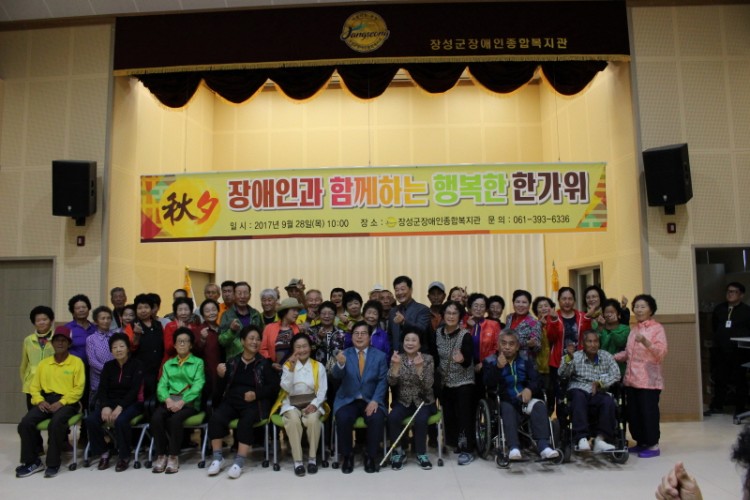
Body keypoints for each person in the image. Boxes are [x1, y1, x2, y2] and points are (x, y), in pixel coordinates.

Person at [207, 325, 279, 479]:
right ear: (242, 341)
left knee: (245, 422)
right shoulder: (232, 362)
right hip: (232, 401)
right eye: (251, 338)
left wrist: (256, 394)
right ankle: (218, 458)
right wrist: (220, 377)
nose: (255, 342)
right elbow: (220, 389)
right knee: (216, 418)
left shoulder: (264, 363)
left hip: (254, 403)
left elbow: (273, 388)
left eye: (258, 339)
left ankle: (239, 462)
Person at [16, 326, 85, 478]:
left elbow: (78, 389)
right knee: (25, 423)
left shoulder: (76, 362)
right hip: (46, 400)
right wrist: (39, 401)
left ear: (69, 344)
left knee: (56, 423)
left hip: (68, 402)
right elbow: (34, 387)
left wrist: (62, 402)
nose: (60, 343)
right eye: (57, 340)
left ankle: (53, 463)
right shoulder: (44, 364)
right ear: (52, 343)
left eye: (63, 341)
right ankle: (32, 462)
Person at [484, 330, 558, 461]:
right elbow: (488, 383)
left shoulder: (526, 360)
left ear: (517, 346)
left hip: (524, 399)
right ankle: (514, 448)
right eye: (504, 343)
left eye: (511, 344)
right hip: (505, 400)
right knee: (507, 408)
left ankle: (544, 447)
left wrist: (529, 389)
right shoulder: (490, 361)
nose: (507, 347)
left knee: (539, 405)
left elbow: (537, 380)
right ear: (498, 344)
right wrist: (498, 368)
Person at [332, 321, 388, 474]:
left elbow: (383, 381)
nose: (359, 336)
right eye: (356, 333)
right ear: (352, 337)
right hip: (348, 399)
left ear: (370, 337)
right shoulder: (344, 354)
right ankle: (347, 456)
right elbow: (336, 375)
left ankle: (370, 456)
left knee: (376, 418)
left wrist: (375, 400)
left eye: (363, 333)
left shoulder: (380, 356)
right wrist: (340, 364)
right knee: (343, 417)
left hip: (370, 399)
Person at [615, 294, 667, 458]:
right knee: (634, 414)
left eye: (643, 306)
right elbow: (628, 353)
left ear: (651, 310)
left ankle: (653, 445)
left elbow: (661, 353)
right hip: (631, 380)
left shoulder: (657, 328)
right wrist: (612, 357)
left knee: (648, 413)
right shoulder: (634, 329)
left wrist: (645, 341)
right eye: (636, 306)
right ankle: (641, 442)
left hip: (648, 381)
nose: (638, 310)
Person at [86, 333, 145, 472]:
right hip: (110, 402)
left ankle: (124, 456)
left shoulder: (137, 365)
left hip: (132, 403)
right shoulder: (108, 366)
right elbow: (102, 389)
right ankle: (104, 453)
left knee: (121, 420)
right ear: (111, 351)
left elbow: (134, 390)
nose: (118, 350)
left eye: (121, 346)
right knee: (91, 420)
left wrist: (120, 407)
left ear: (128, 348)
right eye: (114, 347)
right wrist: (105, 406)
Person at [150, 327, 205, 474]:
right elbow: (162, 385)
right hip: (170, 399)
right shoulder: (168, 364)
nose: (182, 344)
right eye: (179, 341)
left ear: (191, 345)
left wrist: (182, 401)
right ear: (174, 345)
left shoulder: (198, 362)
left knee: (174, 420)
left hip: (189, 402)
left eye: (185, 341)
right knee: (156, 418)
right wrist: (167, 399)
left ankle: (173, 456)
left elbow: (198, 385)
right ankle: (161, 455)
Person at [558, 330, 621, 453]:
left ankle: (600, 440)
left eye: (596, 341)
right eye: (589, 341)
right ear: (583, 344)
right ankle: (581, 438)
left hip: (598, 391)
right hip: (579, 388)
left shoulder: (606, 356)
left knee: (608, 401)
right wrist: (569, 358)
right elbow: (562, 374)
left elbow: (616, 374)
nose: (593, 345)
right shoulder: (575, 356)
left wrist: (601, 383)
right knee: (578, 397)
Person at [276, 334, 327, 476]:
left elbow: (322, 390)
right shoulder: (287, 365)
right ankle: (297, 461)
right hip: (291, 403)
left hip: (312, 403)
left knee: (313, 420)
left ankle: (312, 459)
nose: (302, 350)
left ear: (310, 348)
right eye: (298, 347)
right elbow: (285, 388)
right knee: (293, 419)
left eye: (305, 346)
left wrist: (315, 404)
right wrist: (291, 369)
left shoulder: (318, 366)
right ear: (293, 349)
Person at [387, 331, 437, 470]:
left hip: (423, 401)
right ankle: (398, 452)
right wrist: (395, 367)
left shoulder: (428, 359)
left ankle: (421, 453)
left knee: (421, 420)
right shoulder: (397, 358)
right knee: (393, 417)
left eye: (414, 340)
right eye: (407, 340)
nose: (410, 343)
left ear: (420, 344)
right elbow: (391, 382)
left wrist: (420, 369)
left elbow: (428, 385)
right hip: (404, 401)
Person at [434, 301, 475, 465]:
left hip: (464, 381)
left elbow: (468, 361)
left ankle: (468, 449)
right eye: (448, 313)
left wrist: (462, 359)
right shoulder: (437, 333)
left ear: (460, 316)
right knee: (450, 415)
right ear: (443, 315)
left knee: (465, 415)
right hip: (445, 381)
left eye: (454, 313)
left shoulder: (465, 335)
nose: (451, 316)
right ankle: (456, 442)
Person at [545, 286, 592, 410]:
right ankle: (562, 421)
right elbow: (551, 337)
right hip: (558, 363)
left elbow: (587, 336)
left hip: (579, 362)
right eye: (564, 299)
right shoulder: (553, 316)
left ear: (574, 301)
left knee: (578, 394)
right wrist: (554, 321)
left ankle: (577, 419)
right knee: (561, 396)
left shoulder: (582, 316)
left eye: (570, 299)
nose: (567, 302)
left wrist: (588, 319)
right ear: (559, 301)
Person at [707, 282, 750, 417]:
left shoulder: (747, 311)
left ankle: (740, 407)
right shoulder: (719, 309)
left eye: (734, 292)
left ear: (741, 295)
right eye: (728, 291)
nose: (730, 294)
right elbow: (715, 326)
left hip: (739, 350)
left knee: (740, 379)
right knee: (720, 378)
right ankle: (717, 405)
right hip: (721, 349)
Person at [219, 281, 264, 360]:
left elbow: (262, 337)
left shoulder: (256, 314)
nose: (242, 296)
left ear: (250, 296)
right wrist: (231, 331)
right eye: (239, 293)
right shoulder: (226, 315)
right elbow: (222, 341)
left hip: (255, 360)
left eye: (245, 293)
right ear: (234, 295)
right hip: (234, 361)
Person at [131, 293, 164, 399]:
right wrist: (136, 335)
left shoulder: (158, 325)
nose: (143, 310)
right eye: (140, 308)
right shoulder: (131, 326)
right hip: (140, 372)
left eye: (146, 307)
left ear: (151, 309)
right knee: (142, 400)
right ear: (136, 310)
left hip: (158, 370)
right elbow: (130, 349)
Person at [388, 275, 432, 353]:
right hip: (397, 357)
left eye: (402, 289)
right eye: (397, 290)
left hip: (417, 357)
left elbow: (421, 330)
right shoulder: (392, 311)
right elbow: (390, 336)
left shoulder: (423, 309)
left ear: (411, 290)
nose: (400, 292)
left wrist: (404, 322)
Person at [260, 297, 303, 370]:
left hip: (294, 369)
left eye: (297, 311)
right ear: (285, 311)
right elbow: (263, 349)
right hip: (273, 370)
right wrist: (271, 363)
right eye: (294, 310)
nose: (297, 313)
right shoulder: (269, 328)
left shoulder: (299, 329)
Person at [194, 298, 222, 403]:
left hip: (222, 371)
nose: (211, 313)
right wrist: (202, 340)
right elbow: (195, 352)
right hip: (207, 373)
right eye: (207, 311)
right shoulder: (199, 330)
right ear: (202, 314)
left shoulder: (222, 329)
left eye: (214, 309)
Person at [85, 306, 115, 407]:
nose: (106, 321)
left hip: (114, 378)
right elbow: (92, 361)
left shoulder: (115, 336)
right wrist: (107, 372)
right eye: (102, 318)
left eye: (108, 318)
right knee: (97, 406)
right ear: (96, 321)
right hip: (98, 380)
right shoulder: (91, 339)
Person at [503, 289, 541, 361]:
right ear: (513, 303)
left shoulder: (534, 322)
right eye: (517, 302)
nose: (520, 305)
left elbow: (538, 347)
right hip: (507, 359)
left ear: (529, 304)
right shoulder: (509, 317)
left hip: (524, 362)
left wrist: (532, 345)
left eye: (524, 302)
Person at [532, 296, 554, 407]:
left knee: (552, 397)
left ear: (552, 308)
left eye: (546, 306)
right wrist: (539, 326)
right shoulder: (533, 325)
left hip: (554, 366)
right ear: (536, 311)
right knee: (541, 396)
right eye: (540, 307)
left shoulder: (556, 324)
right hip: (539, 367)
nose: (544, 308)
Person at [163, 296, 199, 364]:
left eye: (186, 309)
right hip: (173, 364)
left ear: (191, 311)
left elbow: (196, 349)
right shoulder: (170, 326)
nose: (183, 313)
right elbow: (169, 349)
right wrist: (179, 332)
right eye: (180, 310)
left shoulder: (194, 327)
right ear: (175, 312)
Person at [599, 298, 630, 376]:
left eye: (612, 312)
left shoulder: (625, 328)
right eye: (607, 312)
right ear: (603, 314)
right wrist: (600, 327)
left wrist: (612, 328)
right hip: (602, 368)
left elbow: (620, 342)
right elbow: (599, 345)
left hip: (619, 368)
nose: (609, 315)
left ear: (618, 314)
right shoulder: (600, 327)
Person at [65, 294, 96, 366]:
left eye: (84, 307)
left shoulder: (95, 328)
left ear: (88, 309)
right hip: (73, 367)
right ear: (73, 312)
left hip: (92, 368)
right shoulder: (67, 328)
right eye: (77, 308)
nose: (81, 310)